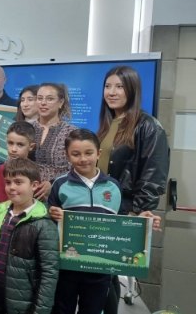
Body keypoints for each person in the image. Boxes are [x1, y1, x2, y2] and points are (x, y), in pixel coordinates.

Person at [97, 66, 169, 313]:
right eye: (108, 86)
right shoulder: (108, 123)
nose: (112, 92)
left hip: (125, 211)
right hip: (104, 208)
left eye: (119, 86)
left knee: (107, 276)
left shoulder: (148, 126)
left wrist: (137, 212)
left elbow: (153, 175)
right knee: (101, 276)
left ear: (132, 90)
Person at [48, 129, 122, 314]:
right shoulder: (59, 184)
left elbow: (121, 224)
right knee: (62, 309)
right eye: (76, 154)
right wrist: (51, 214)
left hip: (100, 266)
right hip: (67, 266)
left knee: (93, 310)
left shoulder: (113, 186)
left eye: (88, 153)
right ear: (67, 156)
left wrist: (142, 222)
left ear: (99, 153)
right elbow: (49, 223)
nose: (83, 159)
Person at [0, 157, 59, 314]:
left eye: (18, 182)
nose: (11, 187)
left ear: (34, 185)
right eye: (8, 182)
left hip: (24, 303)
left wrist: (40, 310)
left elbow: (49, 273)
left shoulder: (44, 222)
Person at [33, 83, 77, 199]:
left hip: (60, 195)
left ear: (61, 102)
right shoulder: (26, 129)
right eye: (40, 98)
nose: (43, 103)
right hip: (26, 195)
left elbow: (77, 167)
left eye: (49, 99)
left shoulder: (71, 132)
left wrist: (52, 183)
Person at [0, 121, 36, 204]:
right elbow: (3, 203)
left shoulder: (34, 170)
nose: (13, 149)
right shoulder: (1, 170)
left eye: (20, 145)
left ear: (31, 146)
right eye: (10, 143)